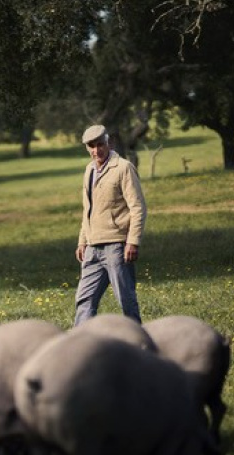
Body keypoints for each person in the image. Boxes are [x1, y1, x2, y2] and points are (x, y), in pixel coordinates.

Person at [74, 124, 147, 325]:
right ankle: (80, 343)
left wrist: (132, 242)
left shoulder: (123, 168)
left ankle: (138, 341)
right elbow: (88, 210)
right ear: (87, 148)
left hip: (117, 246)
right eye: (91, 146)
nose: (96, 150)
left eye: (100, 144)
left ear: (109, 143)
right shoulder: (88, 170)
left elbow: (137, 207)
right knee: (84, 300)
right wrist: (82, 242)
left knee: (125, 299)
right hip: (92, 247)